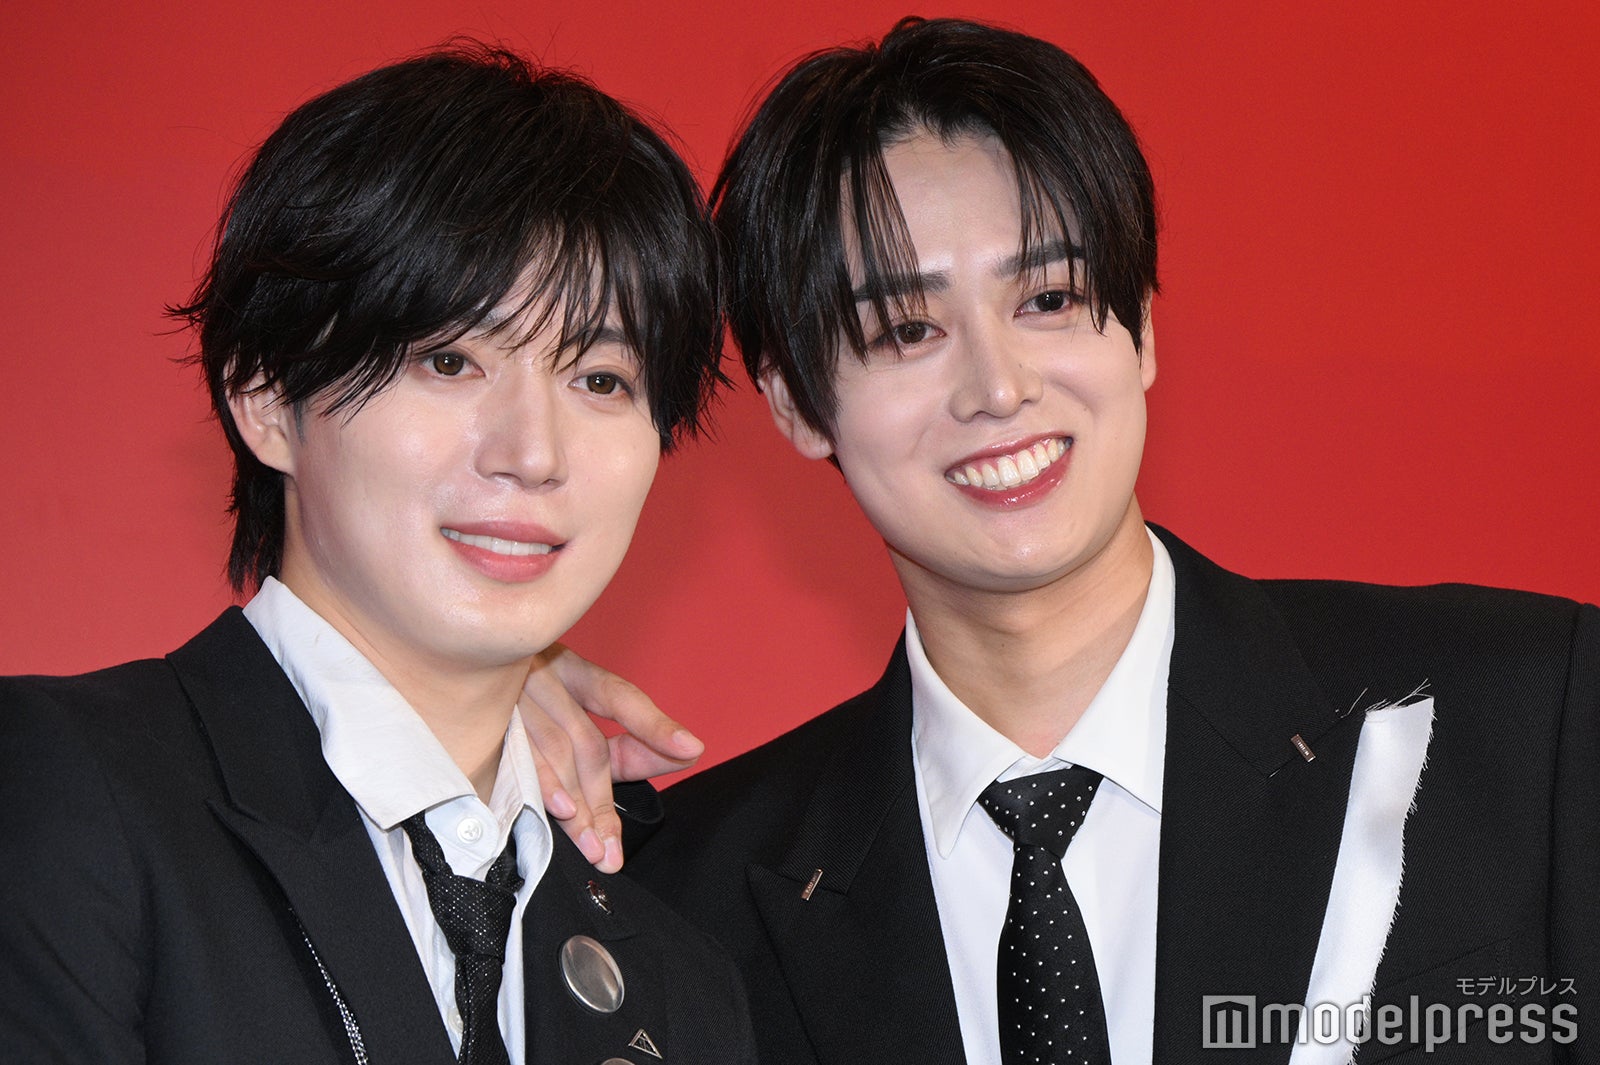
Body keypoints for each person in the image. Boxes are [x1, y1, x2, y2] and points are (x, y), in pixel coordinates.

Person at [624, 17, 1596, 1064]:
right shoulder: (680, 904)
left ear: (1139, 327)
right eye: (908, 330)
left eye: (1047, 298)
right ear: (794, 404)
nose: (998, 388)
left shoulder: (1533, 714)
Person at [0, 44, 754, 1065]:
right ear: (268, 397)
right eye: (450, 359)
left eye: (600, 381)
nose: (533, 453)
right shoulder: (68, 793)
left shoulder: (681, 980)